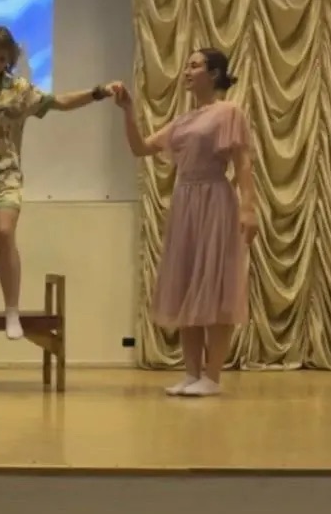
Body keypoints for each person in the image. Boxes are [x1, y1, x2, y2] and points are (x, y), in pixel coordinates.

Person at [0, 25, 122, 339]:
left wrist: (98, 92)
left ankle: (12, 310)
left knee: (4, 233)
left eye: (2, 59)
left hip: (5, 175)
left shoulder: (19, 89)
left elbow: (59, 102)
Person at [113, 47, 257, 398]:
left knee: (216, 285)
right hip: (185, 201)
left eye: (195, 66)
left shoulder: (229, 112)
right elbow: (140, 148)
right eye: (187, 66)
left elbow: (243, 163)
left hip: (215, 200)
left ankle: (212, 376)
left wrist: (248, 208)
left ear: (214, 73)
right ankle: (192, 373)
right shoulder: (183, 121)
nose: (187, 72)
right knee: (186, 284)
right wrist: (128, 111)